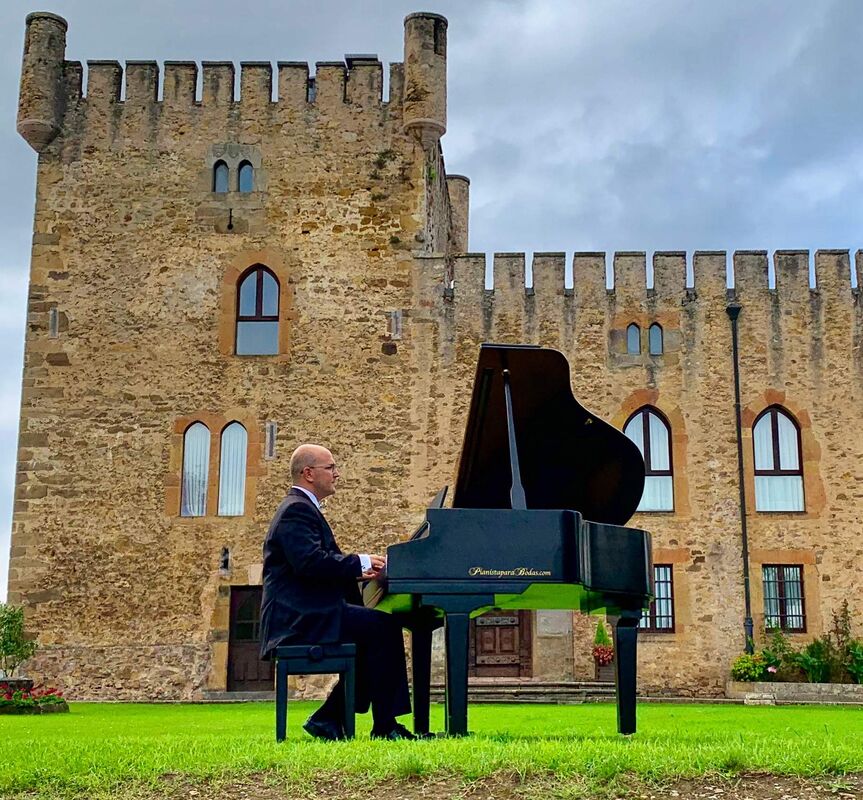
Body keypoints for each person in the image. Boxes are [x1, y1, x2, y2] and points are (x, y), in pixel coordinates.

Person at [259, 443, 414, 741]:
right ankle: (383, 726)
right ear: (308, 473)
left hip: (308, 612)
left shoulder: (301, 509)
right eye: (330, 468)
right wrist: (361, 562)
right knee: (383, 627)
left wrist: (361, 573)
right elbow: (310, 563)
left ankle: (329, 718)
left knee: (374, 630)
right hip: (296, 620)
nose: (336, 474)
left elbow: (320, 565)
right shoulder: (295, 511)